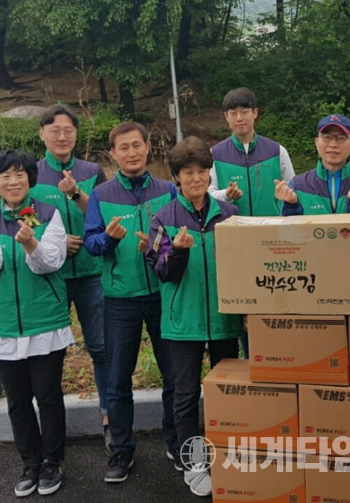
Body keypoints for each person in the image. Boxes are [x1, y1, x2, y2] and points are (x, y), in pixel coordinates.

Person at [0, 150, 71, 497]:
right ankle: (30, 463)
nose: (14, 182)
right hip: (4, 325)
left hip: (44, 321)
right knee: (17, 400)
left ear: (30, 178)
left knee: (48, 396)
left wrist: (31, 244)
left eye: (20, 174)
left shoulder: (47, 214)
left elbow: (51, 262)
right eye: (6, 177)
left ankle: (53, 462)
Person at [147, 136, 242, 498]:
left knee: (228, 395)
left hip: (224, 320)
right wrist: (178, 252)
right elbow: (160, 271)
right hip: (182, 323)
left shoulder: (229, 215)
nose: (196, 178)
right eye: (188, 172)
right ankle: (194, 463)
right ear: (176, 177)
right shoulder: (164, 218)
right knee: (185, 395)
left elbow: (243, 264)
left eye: (202, 170)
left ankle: (228, 455)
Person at [83, 122, 178, 484]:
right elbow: (91, 243)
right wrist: (108, 239)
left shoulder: (168, 190)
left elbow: (177, 237)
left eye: (137, 145)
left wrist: (157, 249)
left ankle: (175, 440)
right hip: (120, 299)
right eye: (123, 147)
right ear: (113, 154)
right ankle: (121, 449)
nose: (131, 153)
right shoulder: (101, 195)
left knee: (173, 374)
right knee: (118, 379)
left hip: (162, 294)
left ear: (148, 147)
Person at [32, 104, 111, 452]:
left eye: (68, 130)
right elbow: (23, 217)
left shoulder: (92, 171)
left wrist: (75, 192)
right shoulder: (31, 175)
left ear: (76, 135)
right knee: (49, 354)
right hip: (51, 277)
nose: (62, 136)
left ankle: (109, 418)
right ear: (42, 135)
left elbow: (103, 214)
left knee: (102, 348)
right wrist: (55, 240)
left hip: (93, 274)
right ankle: (53, 431)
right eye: (54, 130)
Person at [210, 87, 295, 357]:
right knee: (245, 305)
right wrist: (226, 195)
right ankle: (251, 361)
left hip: (274, 242)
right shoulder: (215, 154)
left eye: (245, 111)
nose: (239, 118)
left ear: (255, 113)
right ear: (226, 117)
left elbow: (293, 190)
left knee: (277, 300)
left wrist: (285, 195)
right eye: (233, 113)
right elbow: (208, 193)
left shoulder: (276, 151)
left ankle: (281, 357)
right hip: (236, 245)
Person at [275, 114, 350, 228]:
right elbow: (288, 232)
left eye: (341, 138)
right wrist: (291, 206)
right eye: (327, 137)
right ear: (316, 142)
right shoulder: (298, 185)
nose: (333, 144)